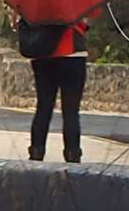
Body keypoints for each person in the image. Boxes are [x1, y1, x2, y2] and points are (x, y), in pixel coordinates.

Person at [25, 13, 92, 163]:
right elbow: (88, 18)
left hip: (43, 53)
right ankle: (72, 154)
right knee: (71, 111)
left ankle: (36, 151)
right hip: (73, 53)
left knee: (43, 107)